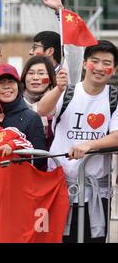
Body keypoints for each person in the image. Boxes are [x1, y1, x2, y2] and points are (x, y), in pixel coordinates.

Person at [38, 40, 118, 243]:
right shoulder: (68, 92)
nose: (100, 68)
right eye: (95, 61)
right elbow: (42, 110)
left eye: (106, 63)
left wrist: (89, 145)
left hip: (96, 193)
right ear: (84, 63)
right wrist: (57, 89)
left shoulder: (114, 98)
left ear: (114, 69)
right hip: (58, 189)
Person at [21, 56, 57, 150]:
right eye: (31, 73)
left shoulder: (59, 103)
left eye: (41, 73)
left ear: (50, 78)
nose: (35, 78)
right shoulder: (16, 103)